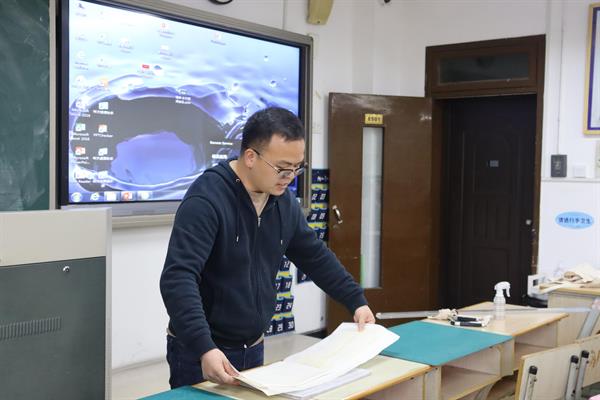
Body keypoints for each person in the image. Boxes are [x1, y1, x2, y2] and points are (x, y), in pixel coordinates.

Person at [160, 106, 375, 389]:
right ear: (251, 157)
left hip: (253, 346)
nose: (290, 177)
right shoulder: (206, 201)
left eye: (297, 168)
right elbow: (178, 278)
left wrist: (356, 300)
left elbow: (315, 257)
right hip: (202, 351)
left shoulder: (283, 203)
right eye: (282, 168)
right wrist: (204, 347)